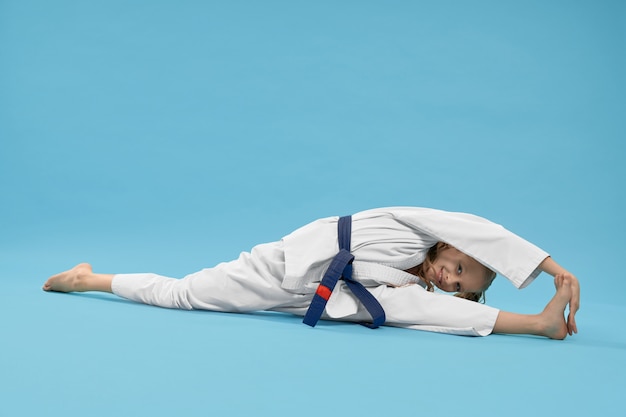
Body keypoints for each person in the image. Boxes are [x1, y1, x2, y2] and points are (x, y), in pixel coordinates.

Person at [42, 207, 580, 339]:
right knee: (182, 294)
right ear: (450, 245)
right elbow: (478, 227)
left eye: (462, 285)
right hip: (277, 267)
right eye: (459, 266)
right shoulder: (409, 227)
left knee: (417, 310)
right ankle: (86, 279)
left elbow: (433, 310)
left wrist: (538, 320)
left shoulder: (410, 286)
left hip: (308, 301)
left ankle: (537, 325)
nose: (450, 277)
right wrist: (550, 268)